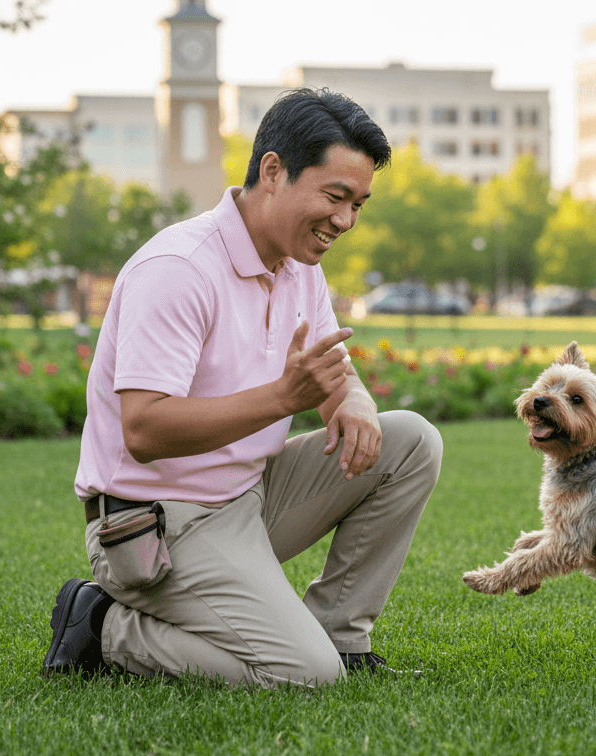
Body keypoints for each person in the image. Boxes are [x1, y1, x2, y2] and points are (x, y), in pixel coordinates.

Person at [41, 88, 443, 688]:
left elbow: (332, 374)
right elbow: (144, 429)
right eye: (335, 197)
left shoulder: (299, 266)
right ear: (273, 171)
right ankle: (103, 626)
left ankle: (340, 636)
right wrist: (283, 398)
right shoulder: (178, 269)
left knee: (411, 440)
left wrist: (354, 400)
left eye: (358, 204)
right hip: (156, 523)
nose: (345, 221)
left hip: (248, 495)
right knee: (306, 676)